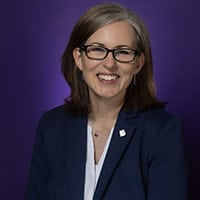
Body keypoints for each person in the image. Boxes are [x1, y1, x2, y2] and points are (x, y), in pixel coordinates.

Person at [26, 2, 188, 200]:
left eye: (122, 52)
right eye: (97, 49)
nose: (109, 64)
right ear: (79, 58)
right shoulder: (51, 126)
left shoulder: (162, 132)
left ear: (138, 63)